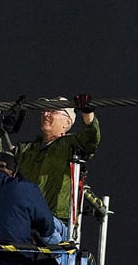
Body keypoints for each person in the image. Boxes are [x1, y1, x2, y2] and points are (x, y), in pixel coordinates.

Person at [10, 94, 100, 242]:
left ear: (67, 122)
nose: (46, 114)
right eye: (44, 110)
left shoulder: (70, 146)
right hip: (24, 221)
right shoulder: (26, 150)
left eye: (52, 110)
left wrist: (87, 113)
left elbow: (91, 139)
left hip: (54, 224)